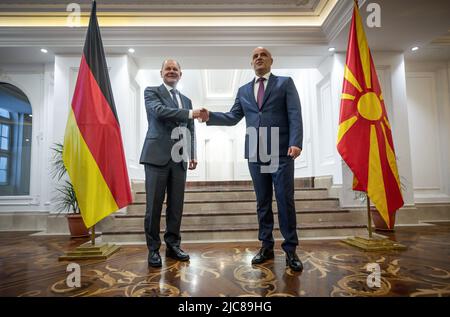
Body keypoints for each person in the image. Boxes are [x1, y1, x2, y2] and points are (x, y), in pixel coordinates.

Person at [203, 47, 304, 271]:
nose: (259, 58)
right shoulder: (243, 90)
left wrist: (295, 142)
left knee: (285, 201)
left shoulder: (284, 83)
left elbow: (294, 113)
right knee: (263, 202)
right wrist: (210, 116)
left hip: (280, 150)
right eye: (255, 56)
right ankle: (266, 246)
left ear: (271, 60)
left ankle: (291, 250)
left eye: (263, 55)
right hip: (255, 152)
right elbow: (232, 117)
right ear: (252, 64)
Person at [139, 59, 208, 267]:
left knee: (176, 206)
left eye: (175, 69)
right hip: (156, 156)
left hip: (179, 158)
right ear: (161, 73)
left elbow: (190, 128)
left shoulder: (186, 100)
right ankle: (153, 249)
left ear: (180, 74)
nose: (171, 71)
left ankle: (173, 246)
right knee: (154, 206)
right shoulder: (151, 92)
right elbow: (160, 112)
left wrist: (192, 153)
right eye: (167, 69)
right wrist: (191, 114)